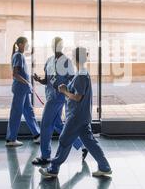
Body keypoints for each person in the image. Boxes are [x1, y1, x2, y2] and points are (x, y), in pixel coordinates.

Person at [39, 47, 111, 178]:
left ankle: (53, 169)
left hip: (76, 116)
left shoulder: (81, 76)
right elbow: (78, 94)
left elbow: (78, 97)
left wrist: (64, 91)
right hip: (82, 116)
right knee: (90, 143)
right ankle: (105, 167)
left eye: (72, 55)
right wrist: (67, 89)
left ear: (75, 57)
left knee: (64, 140)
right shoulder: (82, 73)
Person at [32, 37, 87, 165]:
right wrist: (39, 80)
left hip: (58, 97)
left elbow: (73, 80)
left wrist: (67, 92)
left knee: (45, 124)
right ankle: (83, 145)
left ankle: (45, 156)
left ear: (61, 46)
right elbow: (47, 80)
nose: (55, 46)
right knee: (58, 125)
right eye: (53, 44)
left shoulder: (67, 62)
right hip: (50, 96)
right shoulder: (49, 61)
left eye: (57, 44)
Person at [6, 36, 40, 147]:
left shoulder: (20, 55)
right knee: (16, 113)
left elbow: (22, 61)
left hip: (23, 89)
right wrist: (26, 82)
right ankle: (11, 139)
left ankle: (37, 135)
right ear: (20, 44)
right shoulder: (18, 56)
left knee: (29, 112)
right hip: (21, 88)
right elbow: (15, 74)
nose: (28, 45)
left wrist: (31, 53)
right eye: (26, 44)